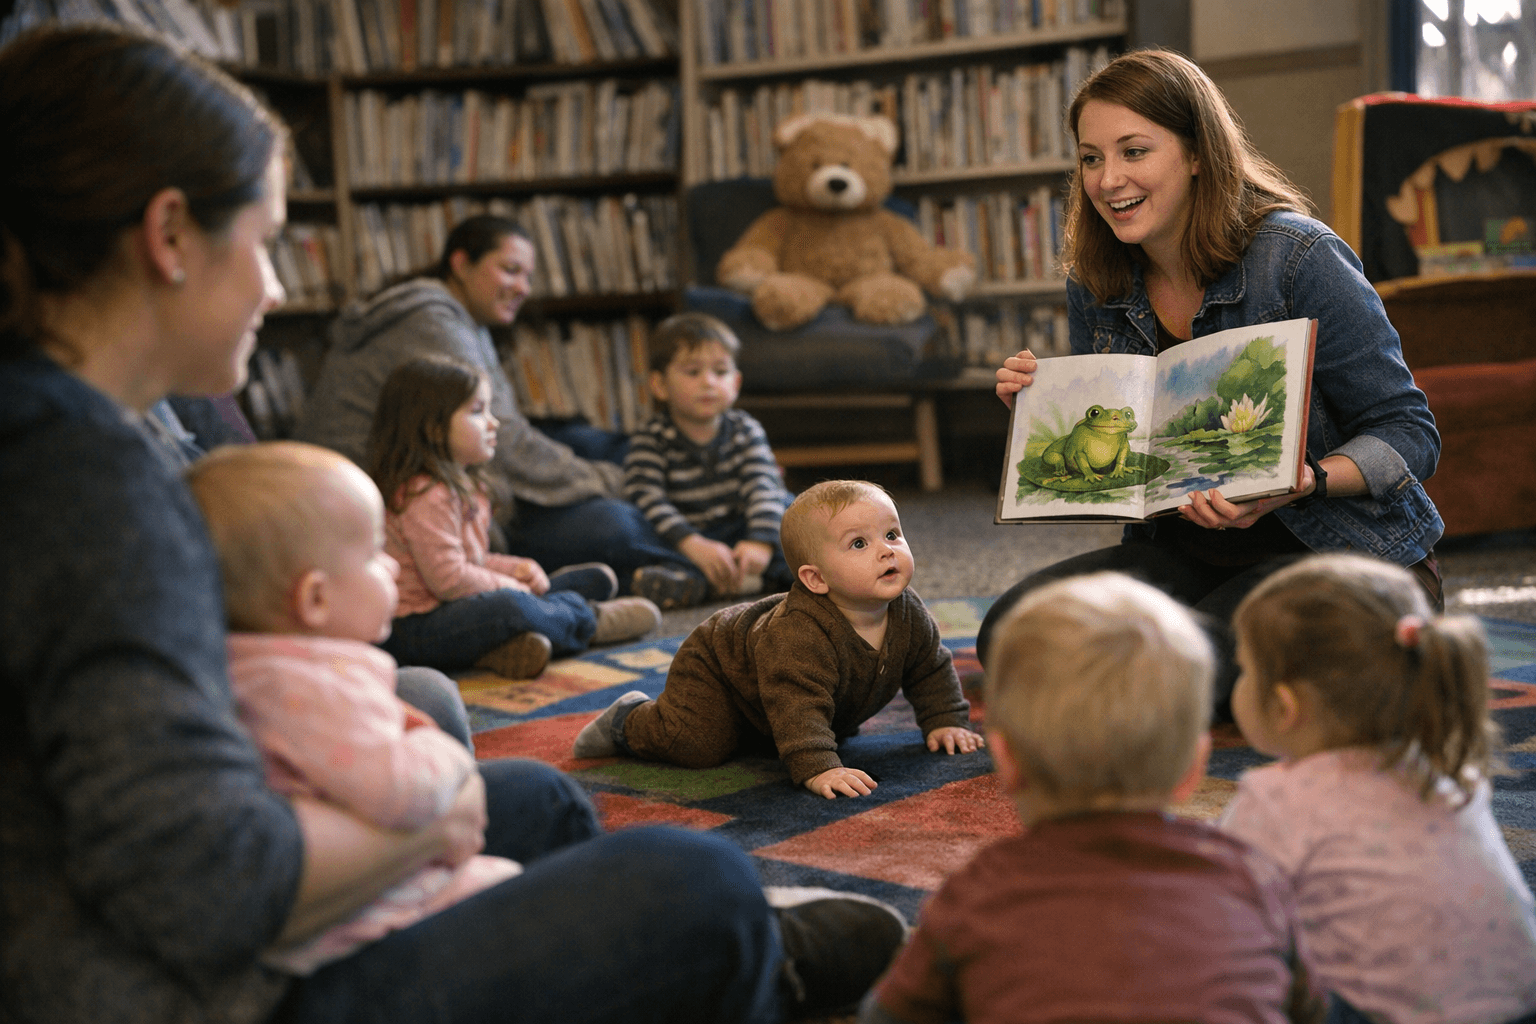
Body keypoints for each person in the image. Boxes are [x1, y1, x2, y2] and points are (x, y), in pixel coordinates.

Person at [0, 23, 908, 1024]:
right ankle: (747, 957)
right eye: (262, 242)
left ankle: (728, 958)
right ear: (168, 235)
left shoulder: (88, 423)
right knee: (696, 880)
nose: (274, 284)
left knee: (545, 796)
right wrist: (435, 827)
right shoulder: (86, 489)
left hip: (213, 878)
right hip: (212, 990)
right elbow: (210, 891)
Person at [982, 48, 1444, 715]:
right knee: (1013, 638)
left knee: (1187, 673)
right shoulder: (1096, 278)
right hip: (1184, 549)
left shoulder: (1298, 257)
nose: (1109, 179)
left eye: (1134, 151)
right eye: (1091, 157)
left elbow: (1411, 433)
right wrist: (1039, 410)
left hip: (1341, 550)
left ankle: (1375, 638)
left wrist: (1307, 478)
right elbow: (1123, 469)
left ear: (1198, 153)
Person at [861, 570, 1327, 1024]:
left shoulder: (977, 893)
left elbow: (889, 1014)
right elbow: (1311, 1009)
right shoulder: (1250, 876)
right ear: (1194, 768)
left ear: (1006, 760)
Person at [185, 441, 524, 976]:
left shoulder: (246, 665)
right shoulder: (311, 688)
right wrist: (440, 748)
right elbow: (399, 790)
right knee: (507, 881)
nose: (390, 565)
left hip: (330, 896)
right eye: (372, 554)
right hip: (361, 921)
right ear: (314, 600)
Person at [294, 213, 696, 592]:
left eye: (528, 276)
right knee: (616, 522)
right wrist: (623, 485)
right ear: (461, 263)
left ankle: (692, 504)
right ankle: (692, 537)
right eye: (510, 269)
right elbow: (505, 446)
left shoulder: (469, 320)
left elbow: (503, 426)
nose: (523, 287)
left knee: (601, 442)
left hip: (462, 472)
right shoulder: (429, 321)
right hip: (411, 502)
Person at [1219, 553, 1536, 1024]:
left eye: (1244, 668)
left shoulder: (1274, 800)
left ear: (1285, 705)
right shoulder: (1449, 762)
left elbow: (1226, 916)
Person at [573, 479, 983, 799]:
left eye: (892, 535)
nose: (886, 551)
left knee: (780, 734)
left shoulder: (908, 611)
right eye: (859, 543)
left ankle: (767, 732)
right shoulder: (799, 633)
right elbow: (796, 700)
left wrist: (945, 720)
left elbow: (930, 666)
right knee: (698, 744)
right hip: (719, 667)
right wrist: (817, 764)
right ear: (815, 578)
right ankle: (628, 720)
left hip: (768, 694)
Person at [365, 355, 661, 679]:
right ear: (434, 430)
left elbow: (472, 562)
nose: (493, 423)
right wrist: (511, 587)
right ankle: (590, 619)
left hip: (451, 607)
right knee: (509, 607)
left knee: (527, 594)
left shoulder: (460, 485)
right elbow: (450, 580)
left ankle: (509, 645)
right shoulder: (425, 496)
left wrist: (517, 569)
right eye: (478, 412)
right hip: (414, 629)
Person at [624, 311, 795, 609]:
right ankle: (734, 581)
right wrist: (693, 544)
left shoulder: (746, 429)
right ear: (660, 385)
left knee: (794, 511)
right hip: (687, 538)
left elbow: (763, 486)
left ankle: (739, 578)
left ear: (736, 382)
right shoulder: (651, 437)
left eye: (720, 371)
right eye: (693, 372)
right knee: (636, 532)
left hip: (744, 529)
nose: (708, 382)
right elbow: (648, 497)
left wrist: (760, 541)